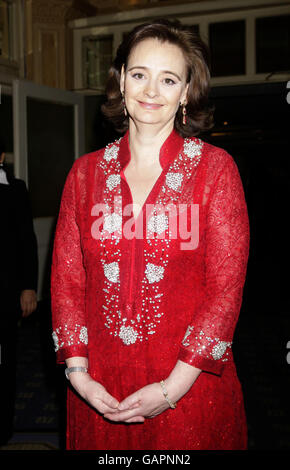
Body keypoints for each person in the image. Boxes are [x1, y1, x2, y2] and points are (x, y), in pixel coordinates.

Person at [51, 19, 250, 450]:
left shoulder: (215, 171)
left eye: (168, 79)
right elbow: (68, 284)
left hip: (189, 390)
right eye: (139, 74)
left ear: (185, 91)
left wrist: (171, 390)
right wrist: (79, 376)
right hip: (100, 390)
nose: (150, 90)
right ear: (121, 80)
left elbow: (225, 290)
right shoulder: (83, 175)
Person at [0, 141, 38, 445]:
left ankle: (2, 427)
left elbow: (27, 240)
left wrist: (28, 287)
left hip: (4, 293)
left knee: (4, 361)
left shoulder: (15, 189)